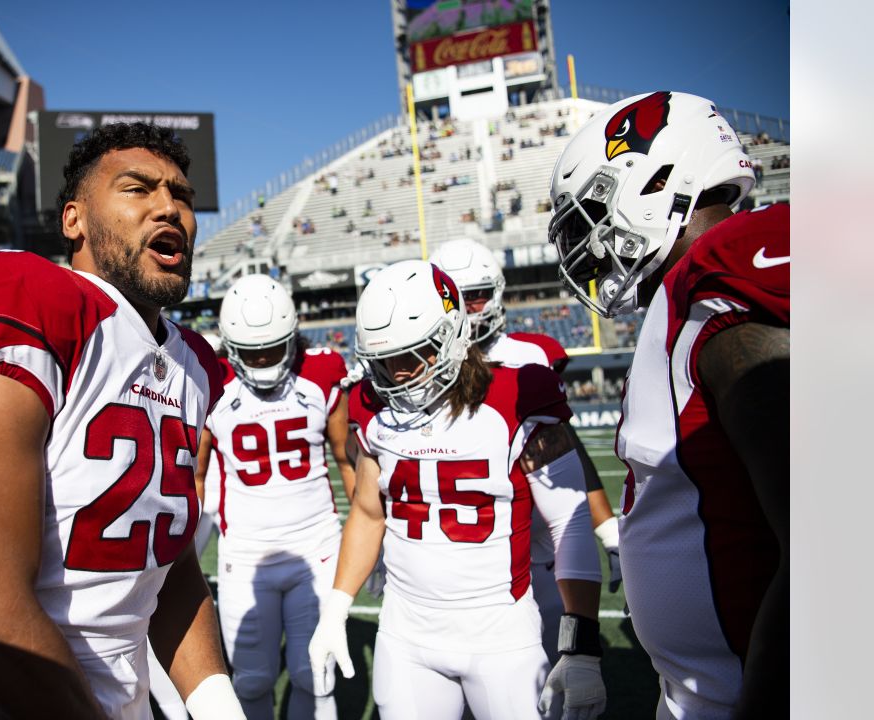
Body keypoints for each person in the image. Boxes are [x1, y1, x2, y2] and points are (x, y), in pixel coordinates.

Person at [0, 122, 244, 719]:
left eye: (182, 196)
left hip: (117, 700)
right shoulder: (29, 299)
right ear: (74, 220)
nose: (169, 208)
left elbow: (163, 566)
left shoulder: (192, 363)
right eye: (138, 189)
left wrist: (219, 707)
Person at [548, 91, 788, 719]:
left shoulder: (722, 286)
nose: (590, 247)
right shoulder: (689, 293)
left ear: (655, 184)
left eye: (592, 214)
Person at [308, 260, 605, 720]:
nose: (397, 373)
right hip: (406, 631)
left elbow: (570, 519)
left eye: (412, 354)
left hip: (500, 632)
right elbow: (368, 513)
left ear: (452, 335)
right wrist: (336, 607)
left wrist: (582, 642)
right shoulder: (371, 404)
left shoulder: (518, 394)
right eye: (384, 360)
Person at [430, 238, 623, 663]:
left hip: (536, 555)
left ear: (496, 293)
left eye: (476, 296)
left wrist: (607, 530)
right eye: (453, 299)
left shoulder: (532, 355)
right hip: (454, 559)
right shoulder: (417, 368)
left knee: (549, 683)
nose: (466, 309)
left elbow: (564, 456)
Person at [194, 274, 355, 720]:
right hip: (244, 554)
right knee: (251, 679)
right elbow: (198, 475)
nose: (263, 359)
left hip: (317, 546)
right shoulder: (213, 380)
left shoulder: (322, 372)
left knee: (316, 676)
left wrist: (370, 540)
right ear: (228, 344)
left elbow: (347, 459)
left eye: (272, 347)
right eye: (250, 350)